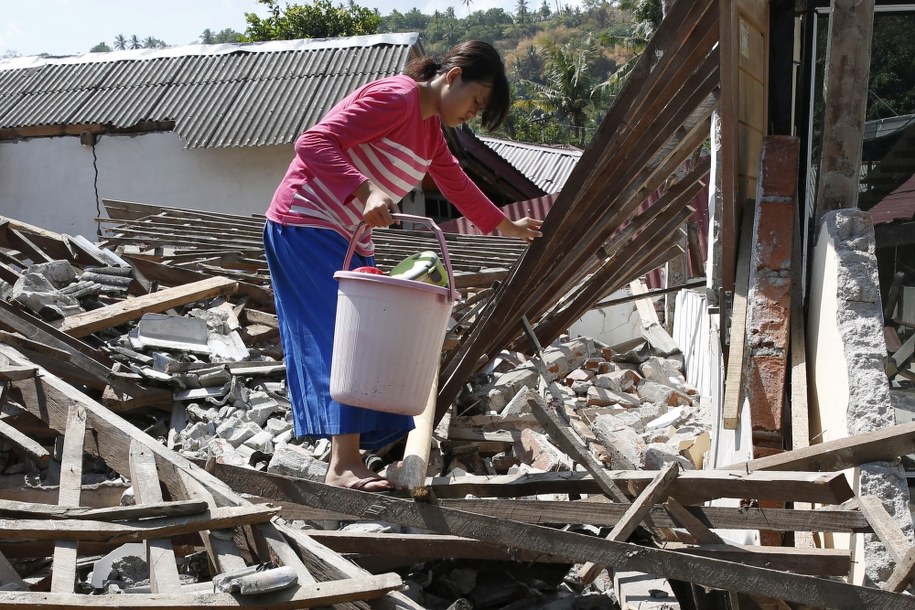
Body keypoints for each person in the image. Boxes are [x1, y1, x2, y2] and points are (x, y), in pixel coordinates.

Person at [263, 40, 543, 492]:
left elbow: (457, 185)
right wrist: (366, 190)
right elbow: (312, 141)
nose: (473, 113)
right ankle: (343, 466)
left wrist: (505, 226)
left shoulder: (432, 132)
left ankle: (360, 449)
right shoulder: (398, 98)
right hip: (306, 223)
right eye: (476, 101)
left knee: (368, 340)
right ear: (452, 77)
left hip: (347, 234)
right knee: (343, 339)